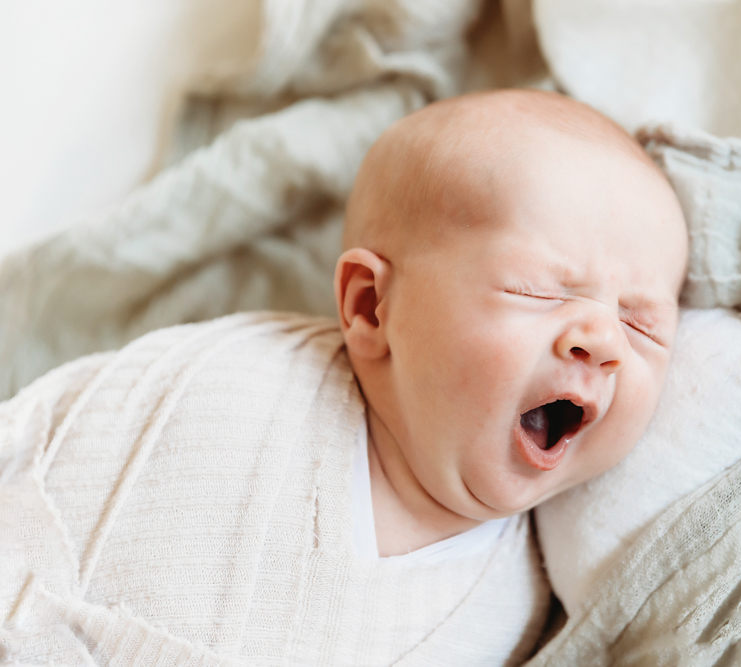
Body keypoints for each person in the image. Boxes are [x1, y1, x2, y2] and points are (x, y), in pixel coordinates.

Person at [0, 89, 688, 665]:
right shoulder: (231, 381)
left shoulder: (525, 604)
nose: (601, 341)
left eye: (643, 325)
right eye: (539, 290)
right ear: (370, 304)